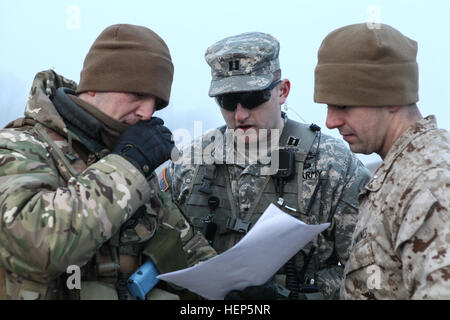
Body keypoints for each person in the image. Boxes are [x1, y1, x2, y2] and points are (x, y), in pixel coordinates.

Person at [0, 24, 214, 300]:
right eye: (138, 95)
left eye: (156, 103)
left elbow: (187, 247)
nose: (147, 113)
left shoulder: (125, 156)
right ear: (95, 86)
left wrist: (232, 286)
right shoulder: (19, 145)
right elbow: (36, 244)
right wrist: (127, 168)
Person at [165, 32, 371, 300]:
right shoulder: (190, 164)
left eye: (252, 98)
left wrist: (302, 295)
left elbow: (371, 268)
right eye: (227, 101)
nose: (240, 114)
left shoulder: (331, 165)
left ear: (282, 91)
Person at [314, 23, 450, 299]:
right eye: (327, 106)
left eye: (342, 105)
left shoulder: (430, 183)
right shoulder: (400, 170)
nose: (330, 122)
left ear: (392, 98)